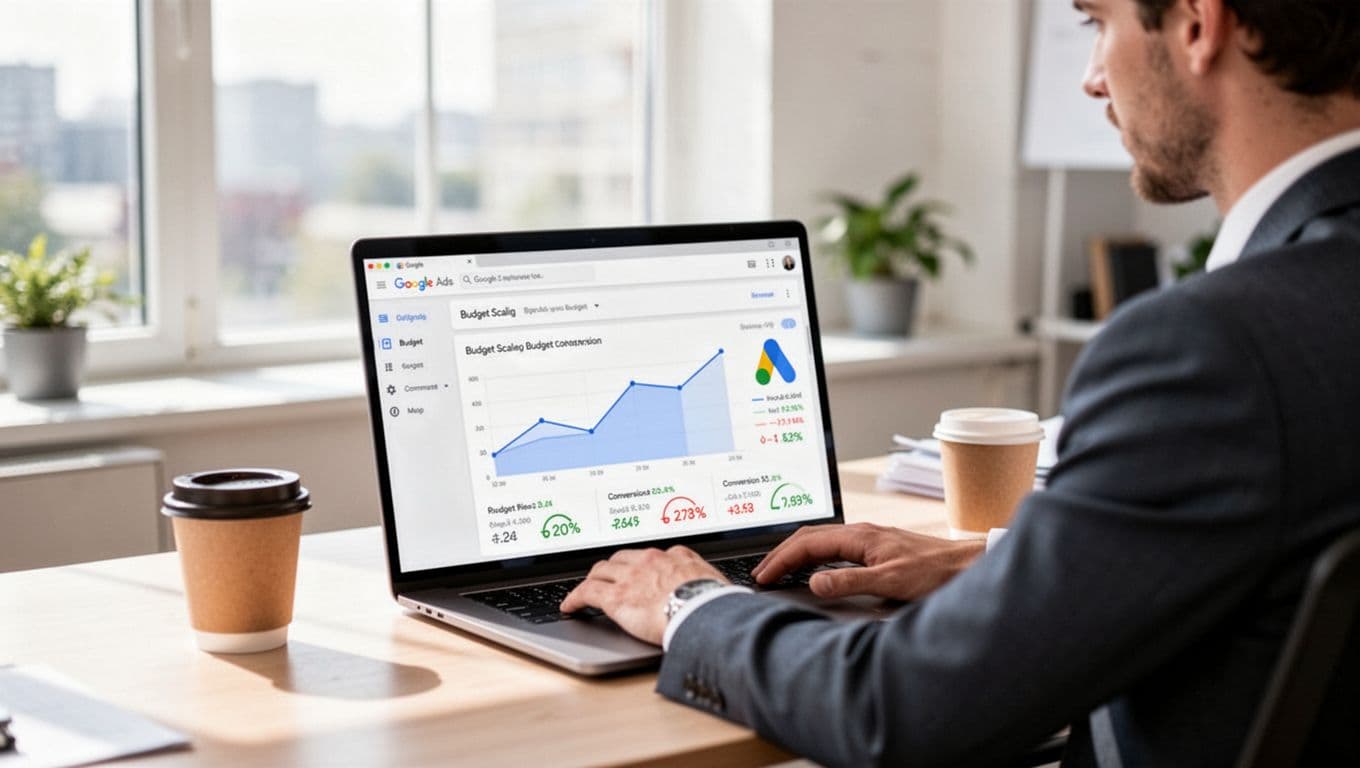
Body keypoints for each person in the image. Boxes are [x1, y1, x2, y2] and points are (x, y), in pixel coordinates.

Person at [562, 0, 1360, 764]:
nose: (1090, 76)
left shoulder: (1209, 350)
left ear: (1197, 22)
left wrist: (690, 604)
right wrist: (1002, 568)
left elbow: (902, 711)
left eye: (1098, 22)